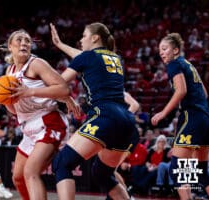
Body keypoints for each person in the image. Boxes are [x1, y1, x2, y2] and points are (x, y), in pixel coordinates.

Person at [50, 23, 136, 200]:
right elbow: (83, 57)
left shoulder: (88, 57)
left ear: (95, 37)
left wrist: (32, 89)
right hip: (126, 121)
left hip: (104, 116)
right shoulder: (114, 57)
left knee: (61, 164)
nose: (81, 39)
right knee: (102, 174)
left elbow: (59, 84)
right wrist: (60, 44)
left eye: (84, 35)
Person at [2, 29, 76, 200]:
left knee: (30, 172)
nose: (24, 43)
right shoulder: (9, 71)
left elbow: (64, 89)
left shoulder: (36, 64)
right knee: (18, 177)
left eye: (27, 40)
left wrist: (30, 91)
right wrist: (5, 101)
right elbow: (14, 110)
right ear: (10, 46)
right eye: (19, 40)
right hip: (29, 126)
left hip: (49, 121)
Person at [151, 33, 209, 200]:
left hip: (193, 116)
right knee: (201, 172)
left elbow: (181, 90)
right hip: (207, 117)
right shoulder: (188, 64)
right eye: (159, 50)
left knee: (178, 169)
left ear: (176, 50)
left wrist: (163, 113)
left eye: (165, 49)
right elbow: (205, 93)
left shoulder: (174, 64)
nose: (162, 52)